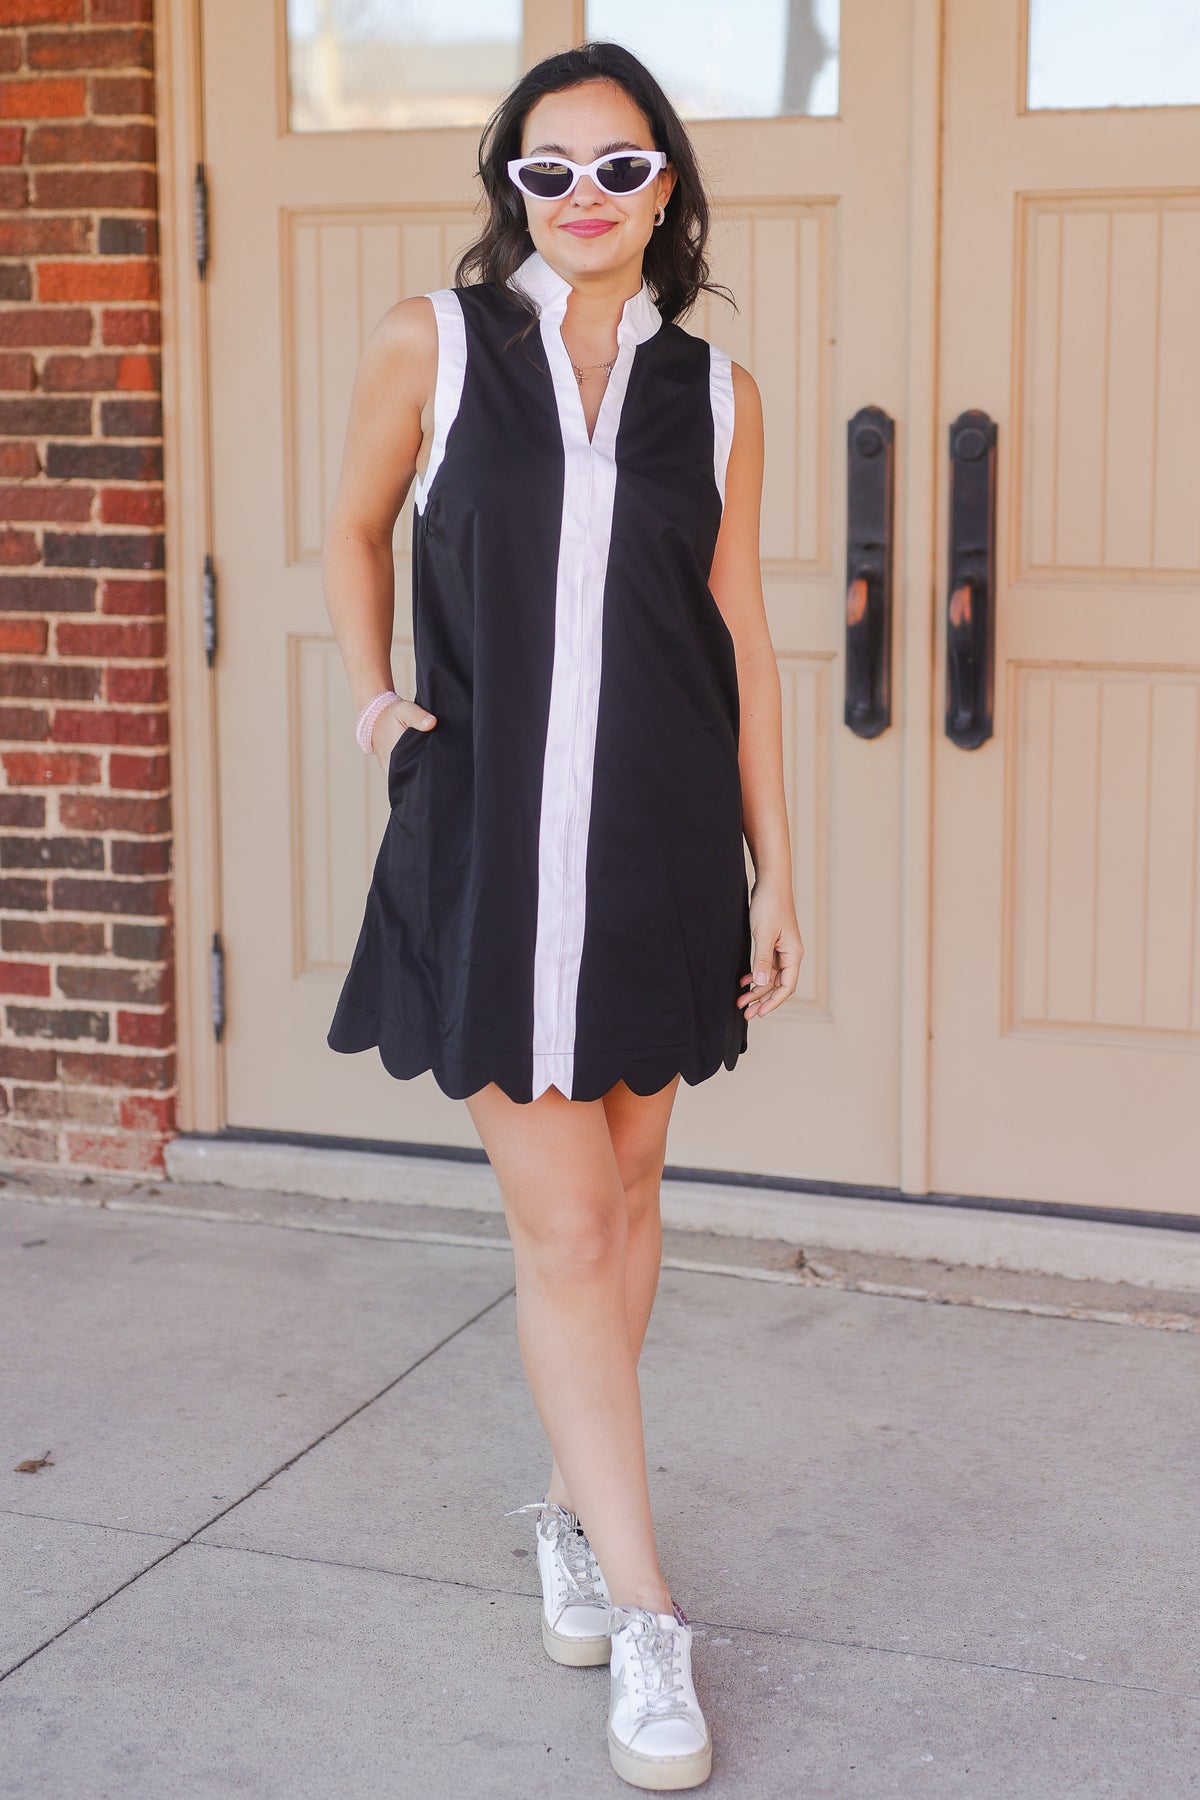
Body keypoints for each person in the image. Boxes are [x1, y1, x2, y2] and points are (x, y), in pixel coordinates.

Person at [323, 39, 804, 1793]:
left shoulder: (724, 396)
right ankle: (653, 1624)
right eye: (548, 170)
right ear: (509, 186)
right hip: (490, 853)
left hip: (664, 846)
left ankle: (573, 1525)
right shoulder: (431, 347)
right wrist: (375, 700)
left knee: (638, 1188)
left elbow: (741, 638)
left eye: (617, 169)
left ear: (665, 184)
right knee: (572, 1233)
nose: (583, 199)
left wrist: (777, 863)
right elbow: (354, 529)